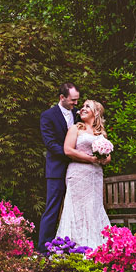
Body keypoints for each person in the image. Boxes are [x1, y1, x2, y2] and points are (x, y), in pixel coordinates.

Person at [55, 99, 111, 249]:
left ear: (96, 112)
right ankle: (73, 245)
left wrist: (102, 159)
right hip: (78, 174)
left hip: (95, 176)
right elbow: (68, 150)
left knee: (93, 207)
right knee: (76, 208)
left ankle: (95, 245)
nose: (83, 108)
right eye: (83, 106)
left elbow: (108, 156)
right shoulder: (75, 129)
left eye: (88, 106)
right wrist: (90, 159)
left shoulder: (101, 133)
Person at [37, 82, 80, 254]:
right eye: (72, 100)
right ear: (62, 98)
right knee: (53, 207)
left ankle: (74, 245)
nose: (76, 104)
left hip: (78, 170)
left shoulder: (78, 114)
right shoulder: (48, 116)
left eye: (77, 100)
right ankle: (43, 248)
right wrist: (70, 153)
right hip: (57, 169)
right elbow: (50, 143)